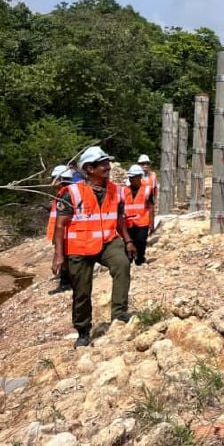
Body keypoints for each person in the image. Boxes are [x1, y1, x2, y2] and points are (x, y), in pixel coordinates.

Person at [51, 146, 136, 347]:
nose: (108, 167)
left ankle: (120, 313)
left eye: (108, 163)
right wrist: (58, 255)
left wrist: (128, 240)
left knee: (122, 265)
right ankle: (83, 331)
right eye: (103, 164)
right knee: (81, 291)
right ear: (89, 168)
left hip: (107, 241)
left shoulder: (116, 190)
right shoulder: (71, 193)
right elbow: (60, 225)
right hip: (79, 247)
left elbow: (119, 218)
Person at [46, 165, 75, 294]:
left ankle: (65, 284)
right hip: (62, 234)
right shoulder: (63, 194)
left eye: (54, 178)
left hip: (65, 234)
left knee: (63, 258)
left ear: (60, 179)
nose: (52, 181)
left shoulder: (65, 195)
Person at [123, 164, 155, 265]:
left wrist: (151, 222)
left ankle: (140, 258)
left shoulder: (147, 189)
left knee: (141, 241)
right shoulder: (124, 190)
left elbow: (150, 206)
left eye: (134, 177)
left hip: (142, 221)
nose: (131, 179)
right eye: (130, 177)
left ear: (140, 177)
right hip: (128, 222)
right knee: (128, 242)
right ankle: (129, 259)